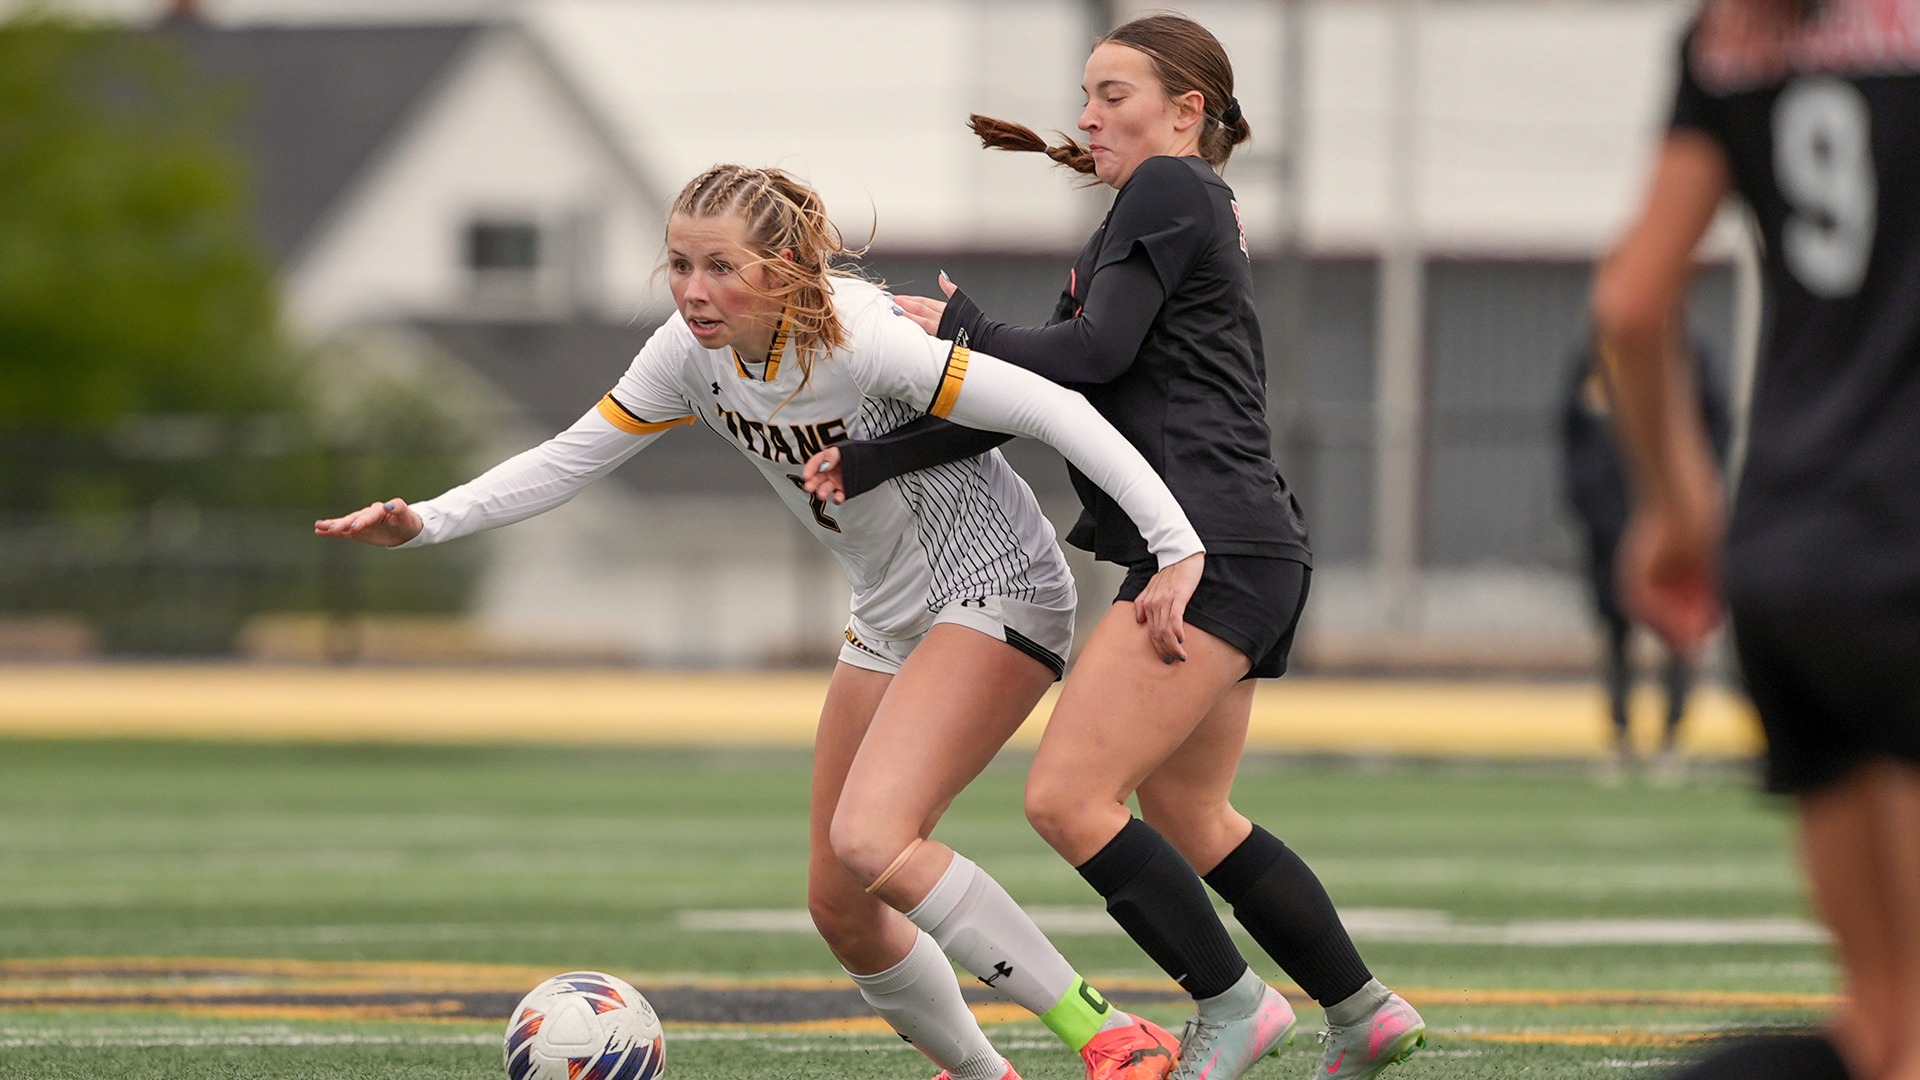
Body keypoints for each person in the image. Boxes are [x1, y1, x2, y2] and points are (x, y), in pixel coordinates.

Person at [314, 163, 1210, 1080]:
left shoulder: (863, 339)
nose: (694, 291)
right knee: (843, 906)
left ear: (782, 268)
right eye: (678, 265)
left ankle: (1106, 1034)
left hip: (996, 588)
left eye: (721, 268)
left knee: (874, 839)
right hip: (887, 620)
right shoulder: (684, 353)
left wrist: (1176, 546)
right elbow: (568, 458)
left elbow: (1055, 408)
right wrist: (425, 522)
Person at [803, 14, 1424, 1080]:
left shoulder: (1170, 189)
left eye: (1114, 94)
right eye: (1086, 95)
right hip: (1242, 545)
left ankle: (1232, 1007)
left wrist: (959, 333)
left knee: (1067, 799)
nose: (1089, 116)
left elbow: (1088, 352)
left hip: (1212, 548)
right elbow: (1055, 393)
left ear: (1188, 112)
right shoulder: (1156, 214)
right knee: (1189, 812)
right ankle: (1363, 1010)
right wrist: (873, 462)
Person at [1592, 1, 1920, 1077]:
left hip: (1792, 558)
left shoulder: (1727, 34)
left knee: (1884, 1029)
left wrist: (1682, 509)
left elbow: (1635, 304)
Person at [1559, 334, 1731, 782]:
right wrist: (1593, 507)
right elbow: (1570, 433)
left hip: (1672, 521)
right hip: (1609, 523)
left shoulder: (1690, 358)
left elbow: (1717, 430)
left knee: (1679, 630)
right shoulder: (1597, 359)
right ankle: (1620, 738)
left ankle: (1671, 739)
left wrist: (1688, 507)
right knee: (1615, 630)